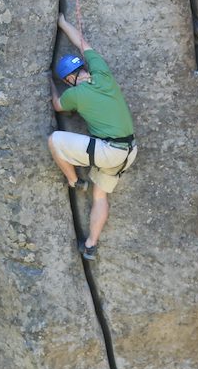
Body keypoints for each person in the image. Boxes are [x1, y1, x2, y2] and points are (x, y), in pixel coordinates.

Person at [49, 13, 137, 261]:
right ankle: (90, 245)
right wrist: (64, 23)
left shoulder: (76, 94)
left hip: (109, 151)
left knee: (54, 140)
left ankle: (75, 181)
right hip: (128, 151)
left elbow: (57, 105)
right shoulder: (102, 74)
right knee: (100, 196)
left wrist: (48, 82)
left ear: (68, 79)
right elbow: (83, 43)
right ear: (83, 67)